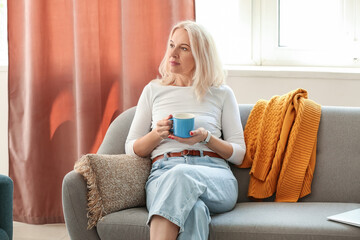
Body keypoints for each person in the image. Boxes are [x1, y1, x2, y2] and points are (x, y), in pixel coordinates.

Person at [125, 20, 246, 240]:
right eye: (172, 45)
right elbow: (131, 148)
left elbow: (239, 154)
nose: (173, 53)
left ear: (201, 56)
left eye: (184, 48)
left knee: (181, 174)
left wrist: (207, 138)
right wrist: (156, 134)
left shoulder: (222, 93)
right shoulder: (153, 90)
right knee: (195, 211)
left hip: (215, 176)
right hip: (163, 173)